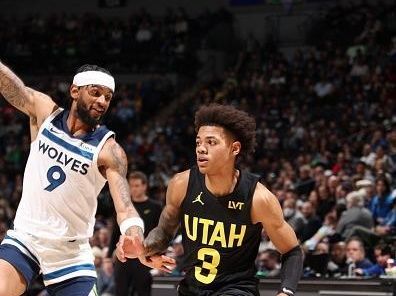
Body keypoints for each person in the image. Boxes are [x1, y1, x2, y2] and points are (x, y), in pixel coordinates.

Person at [120, 104, 303, 296]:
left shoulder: (259, 198)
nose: (201, 149)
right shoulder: (181, 184)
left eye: (211, 142)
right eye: (198, 142)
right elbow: (164, 231)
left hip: (236, 290)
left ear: (235, 148)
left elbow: (292, 250)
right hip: (192, 288)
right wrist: (145, 247)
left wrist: (286, 291)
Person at [0, 61, 145, 296]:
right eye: (95, 92)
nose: (102, 101)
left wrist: (134, 232)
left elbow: (125, 207)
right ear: (75, 91)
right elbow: (14, 87)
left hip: (70, 254)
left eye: (108, 97)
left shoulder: (109, 150)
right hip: (26, 238)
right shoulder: (45, 113)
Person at [108, 171, 162, 296]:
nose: (133, 189)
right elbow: (115, 232)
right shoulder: (122, 207)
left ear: (145, 186)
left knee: (143, 292)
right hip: (124, 257)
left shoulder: (155, 207)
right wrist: (107, 258)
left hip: (144, 256)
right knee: (121, 292)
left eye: (137, 185)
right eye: (131, 185)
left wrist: (158, 254)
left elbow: (159, 233)